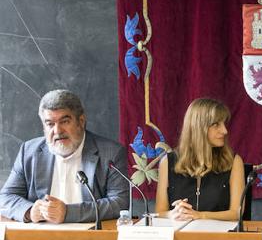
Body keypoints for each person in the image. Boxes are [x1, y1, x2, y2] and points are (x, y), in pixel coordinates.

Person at [0, 89, 129, 223]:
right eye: (50, 124)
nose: (57, 131)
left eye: (65, 122)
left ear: (81, 121)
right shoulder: (29, 152)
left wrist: (68, 213)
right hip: (39, 237)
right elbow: (5, 198)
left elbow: (120, 203)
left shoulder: (110, 153)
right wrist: (29, 211)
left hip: (89, 237)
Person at [155, 98, 244, 221]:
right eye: (216, 124)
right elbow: (159, 213)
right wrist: (172, 214)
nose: (225, 131)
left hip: (219, 237)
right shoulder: (167, 162)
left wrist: (201, 216)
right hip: (180, 236)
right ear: (198, 127)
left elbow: (237, 213)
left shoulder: (234, 161)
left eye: (224, 123)